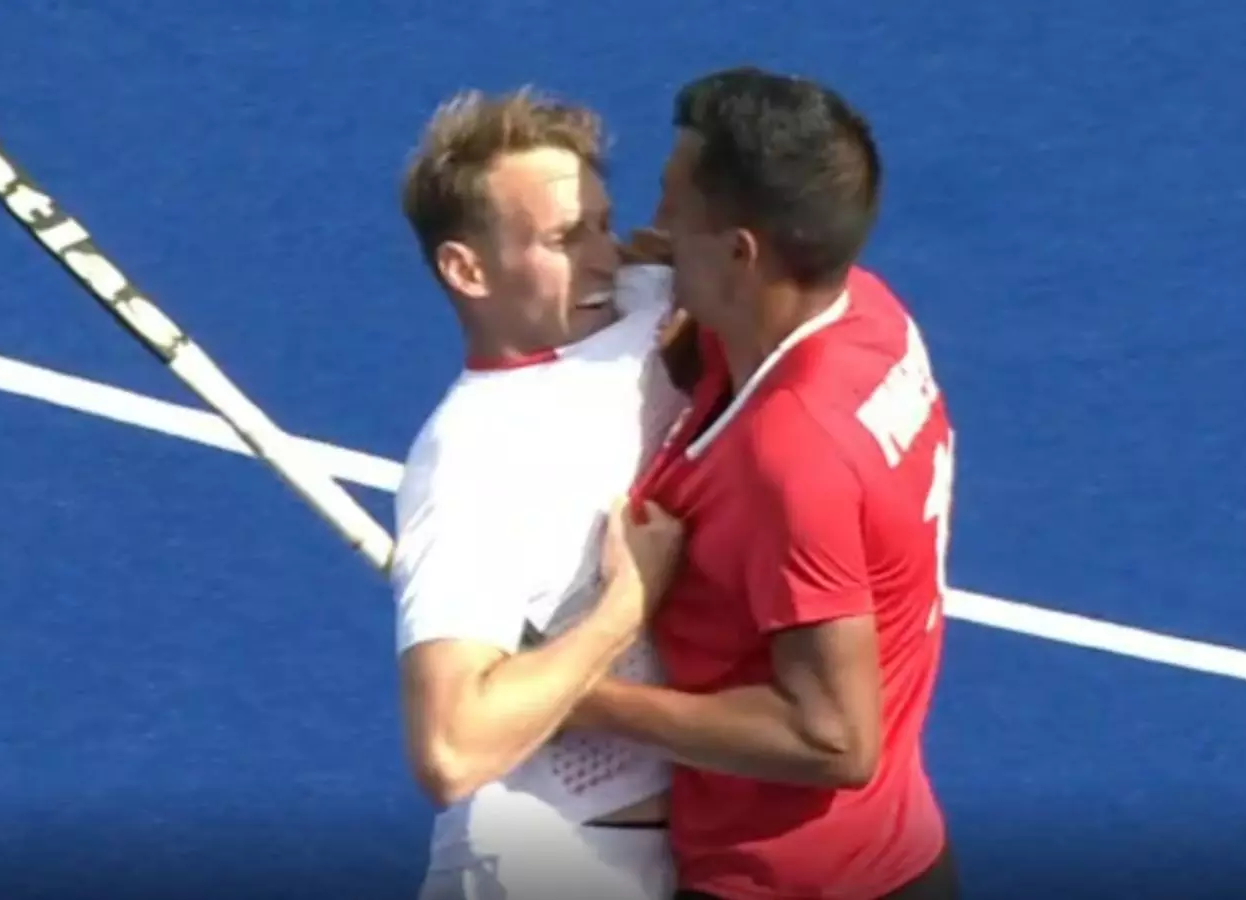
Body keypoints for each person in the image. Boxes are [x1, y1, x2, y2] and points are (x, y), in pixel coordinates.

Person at [567, 67, 960, 900]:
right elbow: (716, 359)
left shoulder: (794, 456)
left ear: (743, 252)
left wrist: (575, 696)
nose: (655, 223)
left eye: (676, 205)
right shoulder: (868, 313)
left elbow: (834, 740)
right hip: (898, 857)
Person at [389, 86, 692, 900]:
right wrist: (624, 608)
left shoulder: (644, 295)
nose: (604, 258)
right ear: (467, 269)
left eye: (602, 224)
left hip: (689, 853)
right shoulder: (473, 459)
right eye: (563, 239)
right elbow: (451, 751)